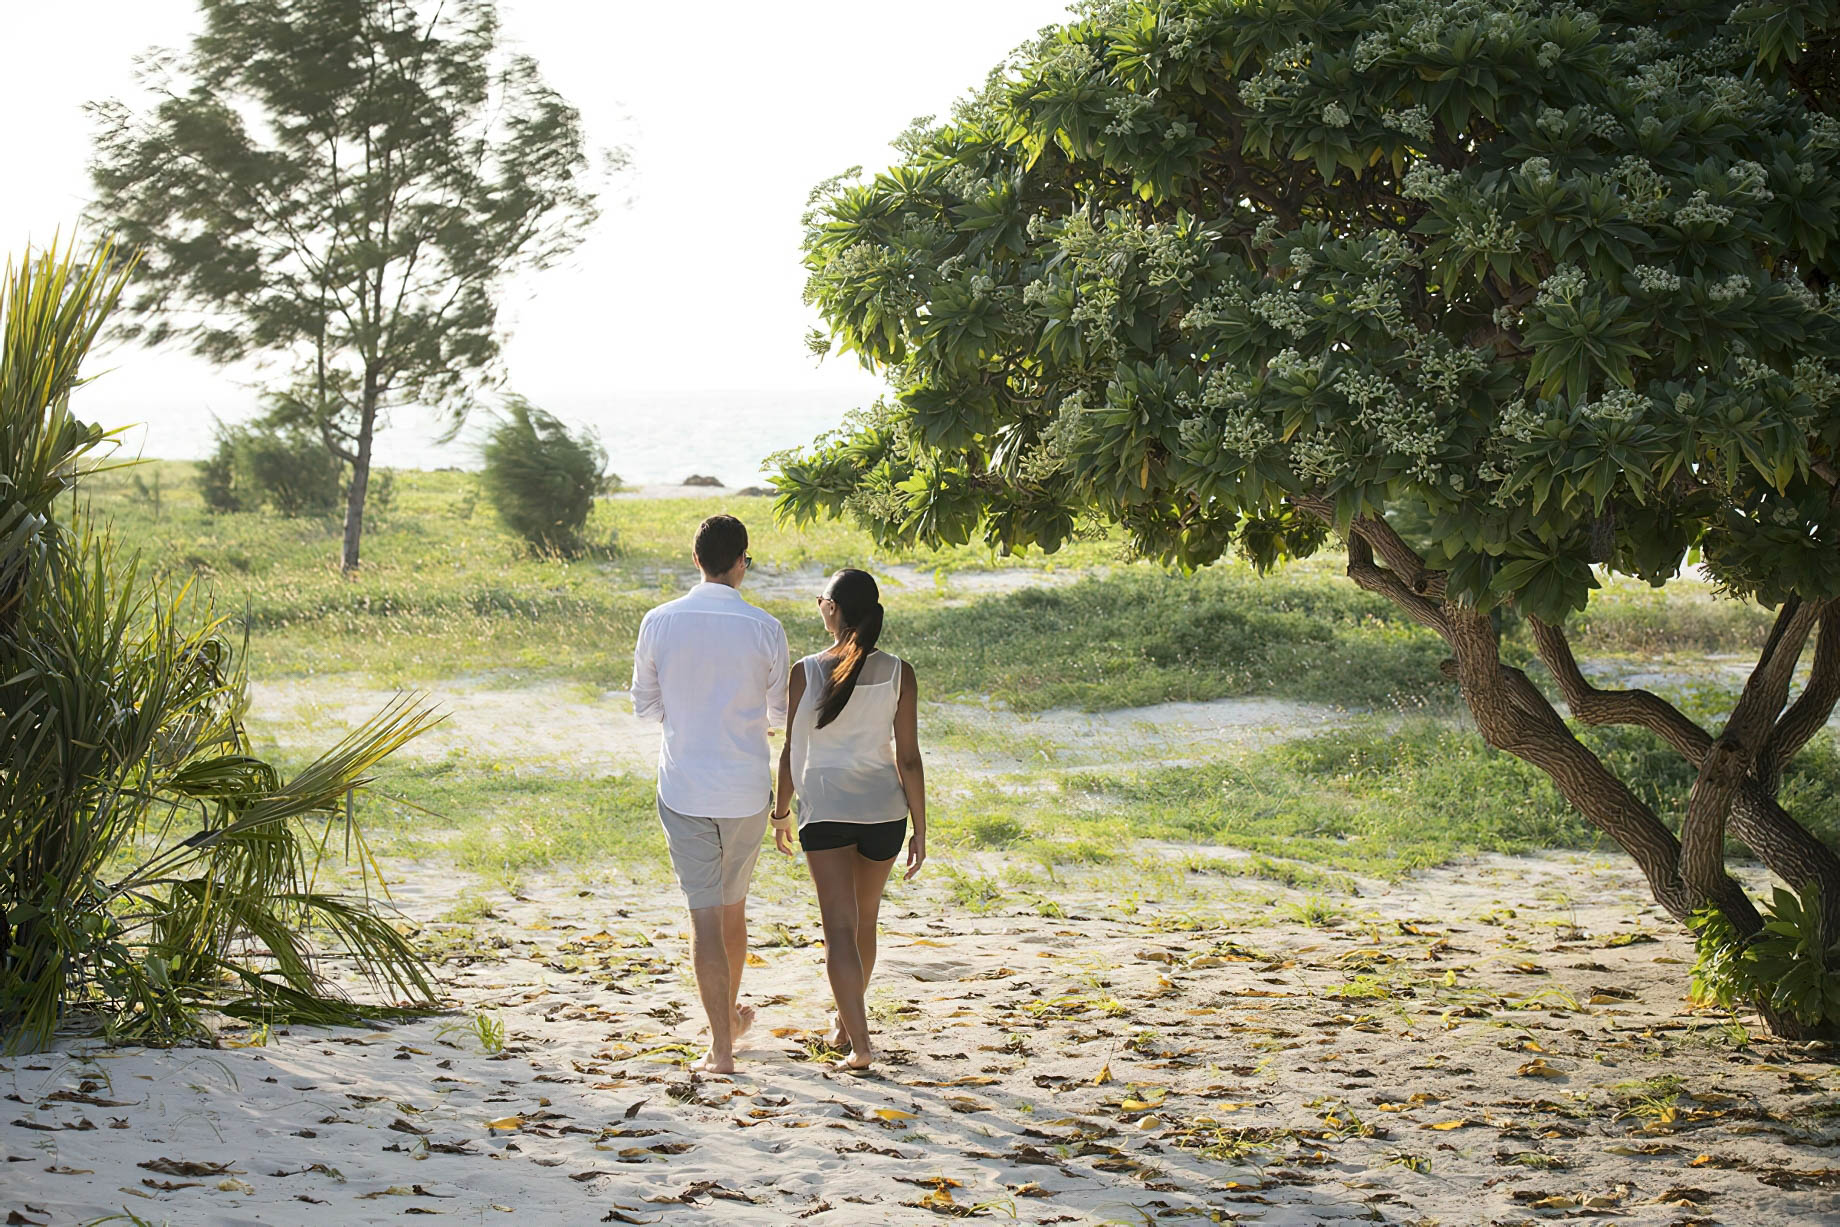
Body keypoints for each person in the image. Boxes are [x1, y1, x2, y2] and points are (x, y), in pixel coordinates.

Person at [630, 514, 789, 1074]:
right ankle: (729, 1025)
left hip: (684, 786)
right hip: (745, 790)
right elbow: (779, 713)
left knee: (705, 921)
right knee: (732, 910)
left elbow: (645, 705)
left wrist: (687, 716)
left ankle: (721, 1046)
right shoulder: (766, 627)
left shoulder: (659, 621)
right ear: (741, 561)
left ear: (696, 559)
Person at [773, 568, 927, 1072]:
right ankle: (845, 1025)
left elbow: (791, 750)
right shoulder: (900, 672)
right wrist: (921, 827)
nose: (820, 606)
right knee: (865, 922)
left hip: (826, 811)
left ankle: (860, 1044)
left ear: (833, 609)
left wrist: (779, 813)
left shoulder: (806, 670)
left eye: (822, 600)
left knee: (838, 930)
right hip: (885, 813)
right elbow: (908, 759)